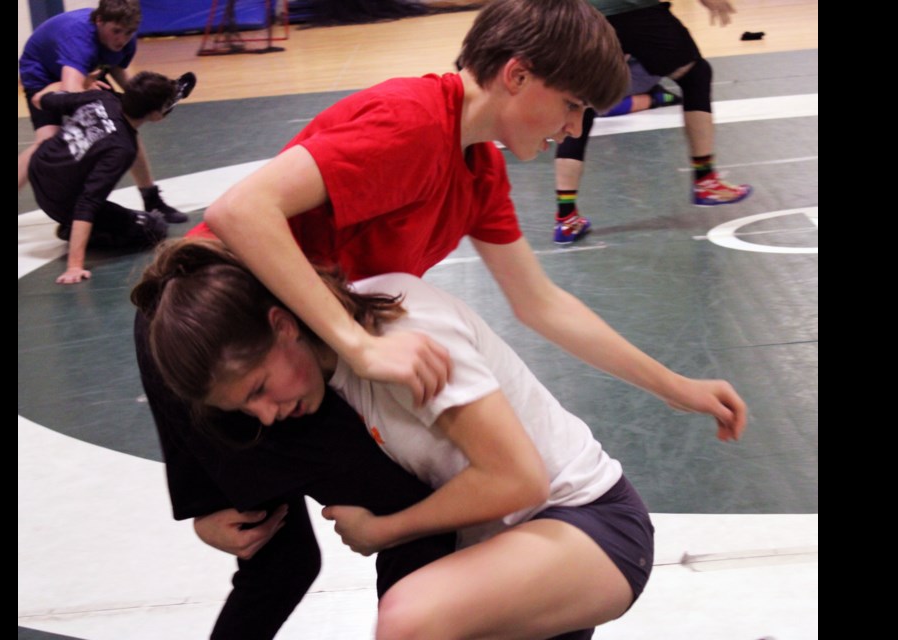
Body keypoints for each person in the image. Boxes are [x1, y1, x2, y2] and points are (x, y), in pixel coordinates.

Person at [140, 0, 745, 636]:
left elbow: (541, 302)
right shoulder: (412, 122)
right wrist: (208, 488)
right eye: (570, 105)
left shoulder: (478, 167)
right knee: (351, 532)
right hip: (208, 329)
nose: (572, 128)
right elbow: (239, 211)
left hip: (285, 347)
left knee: (361, 540)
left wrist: (676, 387)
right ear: (517, 75)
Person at [132, 237, 745, 639]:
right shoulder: (333, 368)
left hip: (589, 527)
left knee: (407, 621)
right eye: (246, 408)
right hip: (504, 547)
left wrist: (382, 532)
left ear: (283, 323)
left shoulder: (404, 335)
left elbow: (519, 480)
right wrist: (206, 505)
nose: (267, 415)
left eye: (261, 387)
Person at [553, 0, 753, 245]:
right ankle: (705, 179)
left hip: (582, 17)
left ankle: (566, 217)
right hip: (632, 10)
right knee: (695, 74)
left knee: (582, 105)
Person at [18, 0, 187, 222]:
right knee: (46, 143)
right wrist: (91, 93)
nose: (122, 39)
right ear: (99, 21)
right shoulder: (79, 40)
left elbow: (115, 66)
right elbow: (70, 94)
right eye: (116, 31)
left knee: (128, 123)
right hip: (43, 75)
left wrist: (141, 100)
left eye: (128, 33)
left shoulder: (124, 37)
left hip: (82, 72)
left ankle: (151, 197)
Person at [28, 71, 193, 284]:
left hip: (40, 169)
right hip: (59, 202)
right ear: (156, 116)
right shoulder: (122, 148)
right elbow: (88, 201)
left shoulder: (101, 98)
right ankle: (80, 231)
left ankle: (76, 227)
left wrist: (75, 82)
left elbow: (39, 100)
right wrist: (74, 266)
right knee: (154, 227)